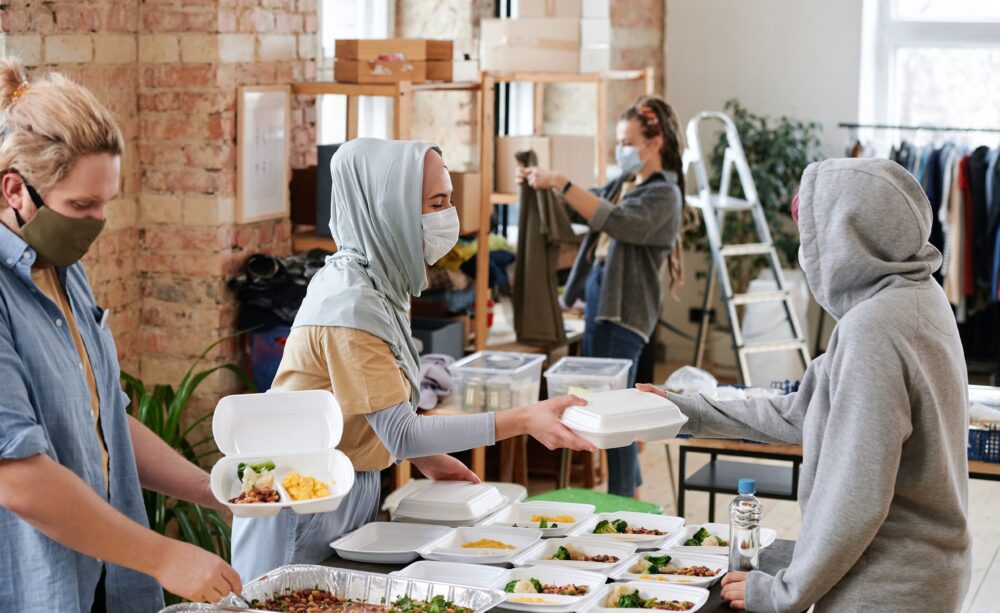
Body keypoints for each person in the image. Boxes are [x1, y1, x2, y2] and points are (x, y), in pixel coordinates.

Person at [231, 137, 597, 581]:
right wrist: (523, 419)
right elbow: (401, 432)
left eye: (448, 200)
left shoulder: (380, 281)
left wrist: (427, 456)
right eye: (435, 202)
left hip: (345, 483)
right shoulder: (350, 303)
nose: (448, 217)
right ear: (390, 208)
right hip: (302, 500)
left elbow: (380, 412)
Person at [638, 158, 971, 611]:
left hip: (885, 586)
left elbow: (857, 498)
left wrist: (780, 593)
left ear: (845, 238)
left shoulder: (873, 329)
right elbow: (802, 411)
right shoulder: (919, 296)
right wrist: (686, 411)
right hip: (923, 574)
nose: (806, 250)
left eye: (811, 236)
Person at [0, 59, 243, 610]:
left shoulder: (64, 268)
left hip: (109, 586)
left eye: (106, 203)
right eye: (81, 206)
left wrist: (213, 491)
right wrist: (165, 557)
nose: (96, 223)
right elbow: (16, 476)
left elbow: (106, 419)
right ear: (16, 190)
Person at [519, 96, 685, 497]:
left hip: (624, 312)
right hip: (602, 302)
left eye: (628, 141)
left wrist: (560, 181)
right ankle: (631, 493)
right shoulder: (626, 184)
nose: (622, 150)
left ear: (655, 140)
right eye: (619, 142)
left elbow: (614, 221)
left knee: (612, 416)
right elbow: (585, 208)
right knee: (607, 408)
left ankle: (623, 500)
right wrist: (543, 186)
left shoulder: (665, 196)